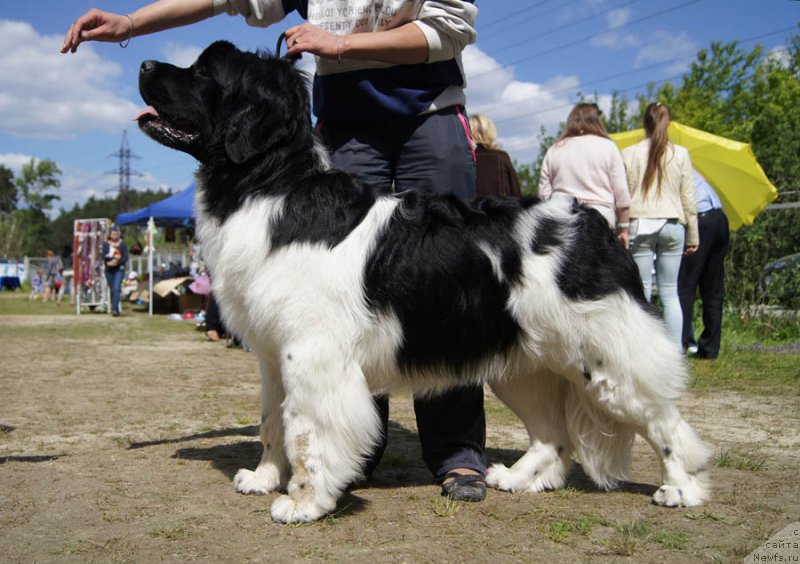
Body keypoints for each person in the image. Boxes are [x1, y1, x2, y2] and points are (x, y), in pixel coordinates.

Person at [63, 0, 486, 502]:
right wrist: (131, 23)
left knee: (445, 281)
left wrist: (342, 43)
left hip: (429, 111)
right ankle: (345, 454)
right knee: (337, 313)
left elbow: (451, 25)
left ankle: (456, 452)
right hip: (347, 123)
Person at [621, 102, 698, 347]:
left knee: (641, 291)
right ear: (670, 124)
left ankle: (644, 350)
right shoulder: (682, 154)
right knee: (670, 292)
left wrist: (619, 229)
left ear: (644, 124)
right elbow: (689, 197)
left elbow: (625, 195)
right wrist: (694, 235)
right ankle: (676, 352)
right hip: (674, 223)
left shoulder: (629, 153)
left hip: (640, 222)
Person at [538, 102, 631, 247]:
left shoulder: (554, 149)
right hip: (601, 220)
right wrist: (624, 228)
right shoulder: (608, 147)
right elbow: (622, 192)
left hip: (563, 219)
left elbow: (544, 194)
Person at [678, 170, 729, 359]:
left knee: (684, 286)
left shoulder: (667, 164)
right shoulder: (688, 165)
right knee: (713, 289)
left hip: (699, 219)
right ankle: (710, 347)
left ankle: (680, 343)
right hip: (718, 217)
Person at [469, 114, 521, 197]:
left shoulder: (464, 159)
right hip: (502, 208)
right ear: (490, 131)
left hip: (472, 208)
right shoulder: (501, 157)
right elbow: (516, 192)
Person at [102, 225, 129, 316]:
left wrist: (118, 260)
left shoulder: (122, 244)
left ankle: (115, 309)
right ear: (109, 235)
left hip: (119, 269)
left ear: (118, 234)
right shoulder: (106, 244)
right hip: (109, 270)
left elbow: (126, 258)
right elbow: (103, 256)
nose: (114, 236)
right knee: (112, 289)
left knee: (117, 288)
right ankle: (114, 304)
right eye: (112, 234)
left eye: (116, 234)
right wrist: (110, 260)